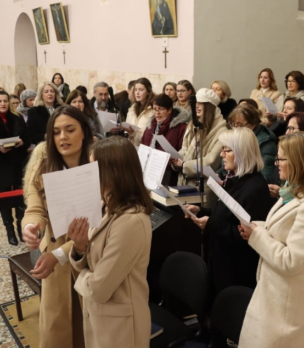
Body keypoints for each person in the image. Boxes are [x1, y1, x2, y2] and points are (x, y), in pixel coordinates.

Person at [238, 132, 304, 348]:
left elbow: (291, 260)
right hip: (273, 291)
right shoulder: (296, 191)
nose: (277, 164)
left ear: (299, 162)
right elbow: (282, 231)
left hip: (286, 302)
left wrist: (256, 235)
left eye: (281, 159)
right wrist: (258, 227)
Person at [67, 136, 153, 348]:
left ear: (114, 172)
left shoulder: (131, 221)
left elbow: (98, 289)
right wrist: (79, 248)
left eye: (93, 169)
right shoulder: (106, 204)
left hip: (121, 327)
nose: (88, 175)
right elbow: (96, 262)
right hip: (102, 316)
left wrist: (82, 277)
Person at [22, 106, 92, 348]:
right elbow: (34, 207)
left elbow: (100, 223)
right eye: (56, 132)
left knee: (89, 329)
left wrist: (60, 255)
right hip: (54, 259)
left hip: (90, 258)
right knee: (57, 330)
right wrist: (32, 225)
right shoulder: (43, 166)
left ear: (84, 131)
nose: (63, 137)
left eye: (70, 130)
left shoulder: (99, 164)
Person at [184, 128, 275, 295]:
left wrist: (211, 223)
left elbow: (247, 235)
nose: (221, 155)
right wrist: (202, 210)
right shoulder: (234, 179)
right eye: (222, 149)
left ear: (242, 153)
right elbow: (228, 214)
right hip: (221, 261)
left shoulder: (255, 188)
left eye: (227, 150)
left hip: (236, 270)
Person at [172, 88, 228, 186]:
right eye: (196, 102)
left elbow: (210, 162)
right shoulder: (193, 124)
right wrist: (175, 159)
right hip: (184, 183)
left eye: (201, 103)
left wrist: (184, 165)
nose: (196, 106)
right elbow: (185, 150)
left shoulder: (222, 132)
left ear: (209, 106)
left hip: (203, 188)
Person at [0, 91, 30, 245]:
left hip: (18, 163)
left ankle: (20, 227)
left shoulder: (17, 117)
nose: (3, 103)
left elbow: (26, 135)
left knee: (20, 197)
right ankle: (9, 230)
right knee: (4, 199)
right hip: (2, 166)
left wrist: (22, 142)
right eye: (0, 101)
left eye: (5, 101)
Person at [141, 94, 189, 185]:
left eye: (161, 109)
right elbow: (143, 143)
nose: (157, 113)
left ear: (169, 110)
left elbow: (182, 150)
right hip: (148, 170)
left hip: (168, 172)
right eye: (155, 109)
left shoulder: (180, 127)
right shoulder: (151, 125)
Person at [228, 105, 278, 183]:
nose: (235, 129)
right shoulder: (235, 138)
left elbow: (266, 176)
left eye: (239, 125)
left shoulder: (266, 144)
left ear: (253, 124)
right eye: (233, 125)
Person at [125, 78, 155, 146]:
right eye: (135, 90)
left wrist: (134, 133)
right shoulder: (132, 109)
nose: (137, 93)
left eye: (141, 90)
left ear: (148, 92)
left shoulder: (153, 109)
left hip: (145, 147)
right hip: (132, 146)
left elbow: (151, 134)